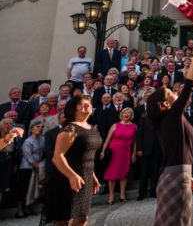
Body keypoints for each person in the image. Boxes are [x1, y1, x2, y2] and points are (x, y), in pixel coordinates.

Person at [147, 36, 193, 226]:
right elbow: (189, 85)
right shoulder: (170, 116)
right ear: (165, 103)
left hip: (177, 176)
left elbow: (178, 151)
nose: (174, 91)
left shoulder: (169, 120)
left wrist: (189, 176)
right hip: (176, 180)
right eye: (170, 92)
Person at [47, 95, 102, 225]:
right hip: (67, 177)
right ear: (73, 109)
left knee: (82, 218)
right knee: (65, 219)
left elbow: (86, 154)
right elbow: (57, 157)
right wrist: (72, 176)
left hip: (85, 177)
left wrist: (92, 175)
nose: (86, 105)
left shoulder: (89, 126)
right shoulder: (70, 128)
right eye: (81, 104)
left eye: (88, 103)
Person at [100, 106, 137, 205]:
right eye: (125, 113)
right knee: (111, 174)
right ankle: (111, 196)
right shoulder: (115, 125)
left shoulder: (134, 126)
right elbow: (107, 140)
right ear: (121, 114)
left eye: (129, 113)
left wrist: (134, 152)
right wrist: (103, 151)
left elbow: (135, 142)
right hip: (114, 152)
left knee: (123, 174)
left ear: (131, 115)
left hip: (126, 152)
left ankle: (122, 194)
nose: (126, 114)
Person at [135, 89, 160, 201]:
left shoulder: (159, 113)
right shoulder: (143, 117)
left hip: (157, 148)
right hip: (145, 149)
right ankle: (142, 193)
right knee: (144, 172)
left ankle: (154, 191)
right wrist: (139, 148)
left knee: (155, 171)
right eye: (147, 96)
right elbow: (139, 134)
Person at [16, 119, 45, 217]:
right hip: (27, 167)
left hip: (38, 167)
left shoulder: (43, 139)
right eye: (37, 127)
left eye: (42, 127)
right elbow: (27, 155)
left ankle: (27, 208)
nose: (40, 129)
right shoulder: (28, 141)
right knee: (23, 189)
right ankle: (20, 210)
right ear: (31, 129)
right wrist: (36, 165)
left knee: (31, 189)